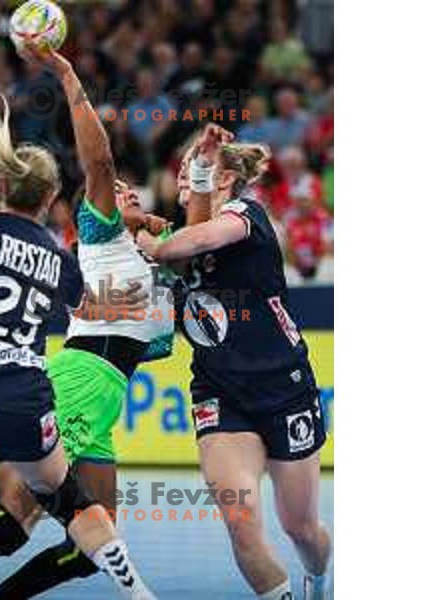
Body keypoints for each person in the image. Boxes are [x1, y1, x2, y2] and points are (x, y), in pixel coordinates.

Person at [0, 47, 173, 599]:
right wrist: (69, 75)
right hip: (77, 380)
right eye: (117, 193)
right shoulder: (97, 228)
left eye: (130, 194)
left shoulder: (133, 256)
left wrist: (163, 243)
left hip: (99, 390)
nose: (124, 194)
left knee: (68, 538)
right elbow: (100, 164)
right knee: (49, 523)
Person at [135, 135, 332, 600]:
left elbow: (201, 235)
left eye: (195, 166)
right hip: (220, 393)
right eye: (183, 166)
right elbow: (183, 243)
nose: (182, 171)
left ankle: (318, 581)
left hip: (285, 388)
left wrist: (148, 243)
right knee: (240, 518)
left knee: (300, 528)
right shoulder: (176, 241)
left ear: (224, 179)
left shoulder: (247, 214)